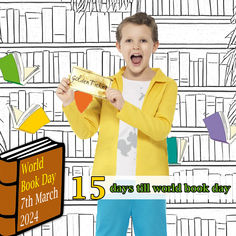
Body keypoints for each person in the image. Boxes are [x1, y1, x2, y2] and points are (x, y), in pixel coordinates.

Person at [56, 12, 177, 236]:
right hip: (110, 183)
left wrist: (124, 106)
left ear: (155, 46)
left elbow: (161, 130)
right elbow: (85, 131)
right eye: (129, 40)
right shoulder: (106, 85)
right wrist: (69, 103)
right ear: (119, 46)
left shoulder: (166, 85)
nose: (136, 46)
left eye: (143, 40)